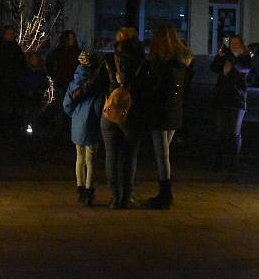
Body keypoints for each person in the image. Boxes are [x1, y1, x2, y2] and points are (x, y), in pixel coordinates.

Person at [83, 27, 146, 209]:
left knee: (111, 155)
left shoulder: (109, 60)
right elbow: (146, 88)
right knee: (130, 157)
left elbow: (94, 82)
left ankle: (114, 197)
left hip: (110, 113)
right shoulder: (142, 62)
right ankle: (127, 196)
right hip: (132, 115)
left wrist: (77, 93)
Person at [145, 25, 193, 209]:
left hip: (160, 111)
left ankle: (165, 194)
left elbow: (156, 87)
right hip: (174, 109)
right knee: (164, 152)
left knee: (161, 154)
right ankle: (165, 192)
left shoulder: (162, 62)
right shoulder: (181, 60)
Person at [63, 50, 102, 206]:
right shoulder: (96, 84)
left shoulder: (74, 83)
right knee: (91, 160)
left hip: (77, 124)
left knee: (79, 157)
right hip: (92, 124)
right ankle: (89, 190)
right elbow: (99, 108)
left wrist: (76, 114)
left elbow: (66, 105)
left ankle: (80, 189)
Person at [210, 34, 251, 172]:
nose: (233, 46)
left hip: (237, 99)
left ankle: (234, 163)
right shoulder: (226, 56)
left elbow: (243, 69)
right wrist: (219, 56)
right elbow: (214, 68)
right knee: (219, 132)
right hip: (221, 98)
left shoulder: (245, 57)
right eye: (231, 43)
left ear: (241, 45)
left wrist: (230, 56)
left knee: (234, 132)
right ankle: (218, 161)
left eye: (236, 43)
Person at [0, 26, 26, 136]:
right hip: (1, 81)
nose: (10, 36)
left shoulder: (16, 48)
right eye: (8, 33)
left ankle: (12, 129)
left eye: (11, 33)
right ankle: (2, 129)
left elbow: (21, 63)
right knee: (2, 107)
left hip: (13, 82)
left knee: (14, 107)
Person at [46, 31, 81, 130]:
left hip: (74, 84)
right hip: (61, 83)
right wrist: (54, 76)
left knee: (73, 107)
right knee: (60, 107)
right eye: (70, 38)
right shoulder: (58, 52)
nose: (72, 40)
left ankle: (71, 129)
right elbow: (49, 64)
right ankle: (60, 129)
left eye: (73, 38)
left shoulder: (77, 52)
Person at [18, 51, 49, 134]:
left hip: (37, 96)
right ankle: (25, 128)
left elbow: (45, 83)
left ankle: (35, 129)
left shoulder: (41, 72)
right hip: (27, 96)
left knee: (36, 113)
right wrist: (27, 90)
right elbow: (21, 83)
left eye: (35, 59)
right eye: (32, 59)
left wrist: (40, 89)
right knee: (27, 113)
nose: (34, 60)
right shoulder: (25, 72)